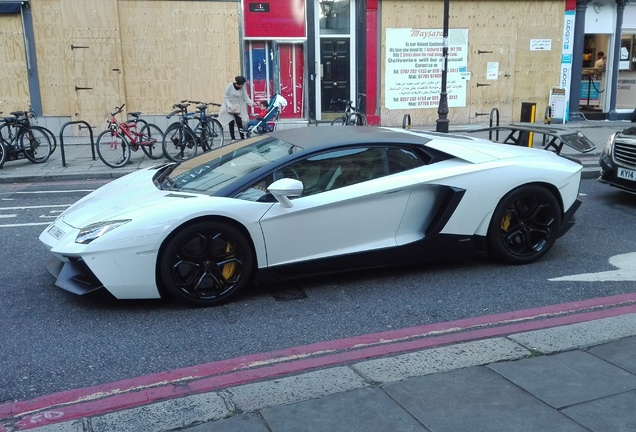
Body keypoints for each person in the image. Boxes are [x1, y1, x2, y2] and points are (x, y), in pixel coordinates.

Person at [218, 75, 254, 141]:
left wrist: (252, 104)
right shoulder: (230, 86)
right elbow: (225, 97)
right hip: (228, 106)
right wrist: (230, 106)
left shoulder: (242, 88)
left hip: (237, 107)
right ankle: (233, 138)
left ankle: (242, 137)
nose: (243, 85)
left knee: (239, 121)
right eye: (242, 84)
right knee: (231, 121)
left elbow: (246, 97)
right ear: (239, 83)